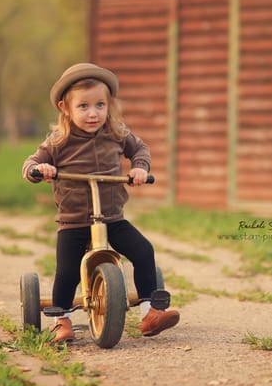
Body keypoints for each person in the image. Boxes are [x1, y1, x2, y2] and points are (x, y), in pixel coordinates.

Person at [22, 62, 180, 343]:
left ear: (109, 106)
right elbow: (30, 163)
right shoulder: (58, 142)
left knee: (144, 251)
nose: (93, 113)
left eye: (100, 105)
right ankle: (62, 321)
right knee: (67, 272)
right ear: (65, 108)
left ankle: (150, 313)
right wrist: (39, 169)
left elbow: (140, 149)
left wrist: (139, 167)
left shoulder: (116, 134)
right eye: (83, 106)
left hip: (112, 219)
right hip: (73, 222)